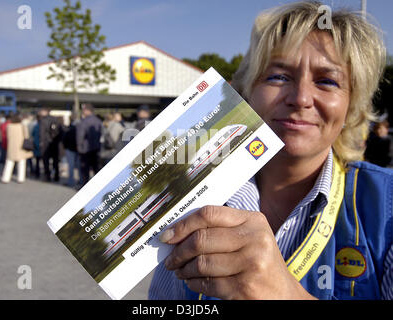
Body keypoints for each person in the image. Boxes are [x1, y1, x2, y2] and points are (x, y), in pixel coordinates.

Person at [149, 1, 393, 300]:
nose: (301, 98)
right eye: (278, 76)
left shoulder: (386, 209)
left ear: (351, 106)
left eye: (327, 81)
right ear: (247, 92)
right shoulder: (191, 197)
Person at [0, 114, 33, 183]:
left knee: (9, 163)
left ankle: (5, 178)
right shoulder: (22, 126)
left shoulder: (9, 126)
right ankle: (20, 178)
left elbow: (8, 136)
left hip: (11, 146)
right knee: (21, 163)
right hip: (21, 146)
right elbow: (26, 136)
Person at [76, 103, 102, 187]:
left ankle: (84, 187)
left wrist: (79, 147)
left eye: (83, 110)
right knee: (96, 168)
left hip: (85, 149)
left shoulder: (84, 121)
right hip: (96, 148)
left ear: (87, 110)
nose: (82, 112)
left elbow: (80, 136)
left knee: (85, 171)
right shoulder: (98, 121)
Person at [39, 108, 62, 182]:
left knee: (46, 161)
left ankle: (47, 176)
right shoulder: (55, 120)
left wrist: (41, 143)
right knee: (55, 161)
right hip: (55, 143)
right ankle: (56, 176)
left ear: (45, 111)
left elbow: (42, 133)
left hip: (46, 144)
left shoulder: (43, 120)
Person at [62, 115, 79, 187]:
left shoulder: (69, 128)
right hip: (78, 149)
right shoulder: (80, 127)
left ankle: (71, 182)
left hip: (70, 149)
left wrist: (65, 146)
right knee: (79, 167)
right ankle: (80, 181)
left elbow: (64, 138)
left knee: (71, 166)